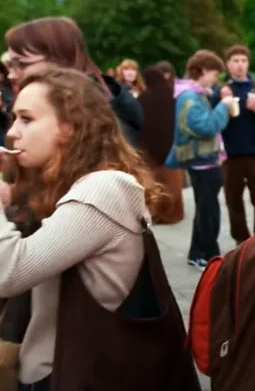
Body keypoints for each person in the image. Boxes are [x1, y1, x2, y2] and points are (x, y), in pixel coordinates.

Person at [0, 68, 198, 389]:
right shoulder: (73, 186)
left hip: (73, 375)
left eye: (26, 119)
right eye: (13, 118)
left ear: (69, 126)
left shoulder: (102, 189)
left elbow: (9, 271)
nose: (12, 132)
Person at [4, 17, 144, 148]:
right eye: (9, 64)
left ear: (60, 60)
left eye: (20, 64)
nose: (10, 74)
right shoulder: (65, 107)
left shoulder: (104, 122)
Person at [166, 50, 232, 268]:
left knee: (205, 207)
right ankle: (209, 255)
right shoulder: (190, 97)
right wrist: (224, 106)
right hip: (202, 161)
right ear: (202, 71)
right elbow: (206, 127)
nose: (216, 79)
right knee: (208, 211)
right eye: (214, 74)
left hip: (205, 160)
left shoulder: (195, 94)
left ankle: (196, 253)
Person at [217, 45, 255, 243]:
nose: (240, 65)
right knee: (233, 202)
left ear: (248, 63)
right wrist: (222, 103)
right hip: (231, 155)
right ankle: (241, 242)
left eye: (243, 61)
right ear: (227, 64)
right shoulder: (222, 90)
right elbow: (213, 120)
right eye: (235, 61)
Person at [137, 66, 184, 224]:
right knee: (173, 183)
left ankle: (158, 214)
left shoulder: (143, 98)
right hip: (172, 146)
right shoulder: (172, 96)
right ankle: (175, 214)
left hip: (150, 149)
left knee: (156, 183)